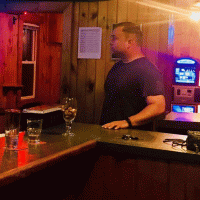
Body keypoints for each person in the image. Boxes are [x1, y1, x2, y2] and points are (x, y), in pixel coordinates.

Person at [100, 22, 166, 130]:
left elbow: (158, 106)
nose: (110, 43)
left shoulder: (147, 70)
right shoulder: (117, 66)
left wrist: (127, 122)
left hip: (131, 139)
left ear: (129, 42)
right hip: (110, 135)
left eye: (114, 38)